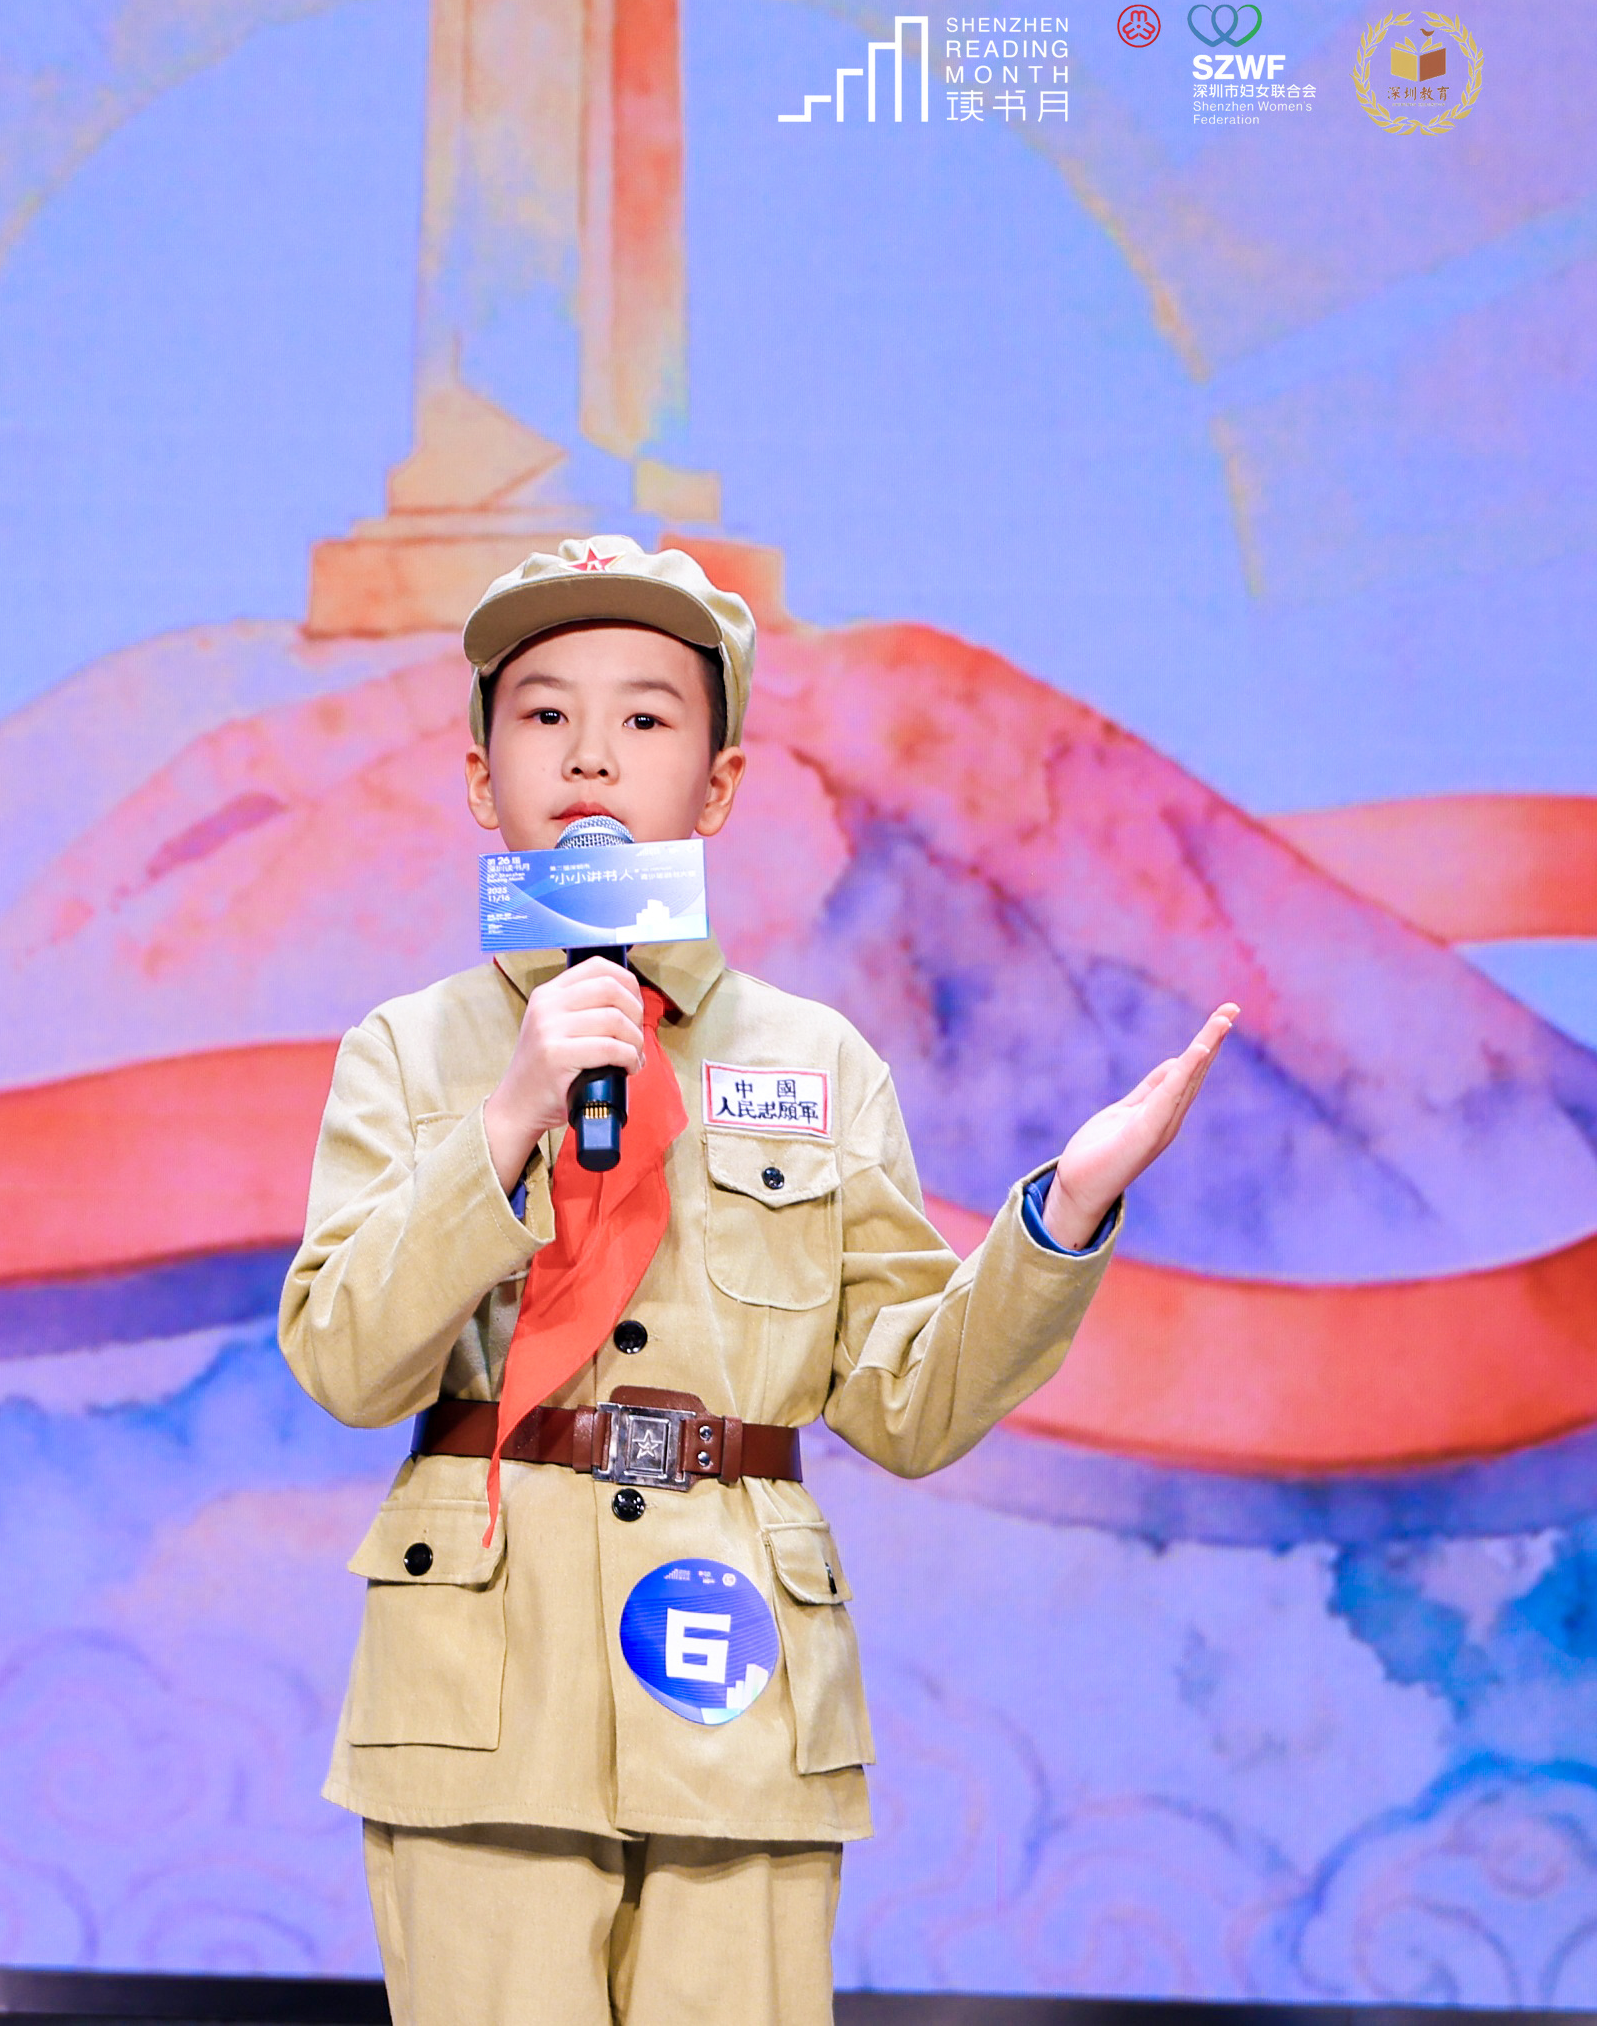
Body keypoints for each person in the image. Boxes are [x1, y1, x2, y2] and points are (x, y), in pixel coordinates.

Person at [279, 538, 1236, 2026]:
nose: (590, 753)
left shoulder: (814, 1060)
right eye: (544, 714)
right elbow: (345, 1364)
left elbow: (908, 1404)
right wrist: (507, 1119)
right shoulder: (407, 1054)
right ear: (478, 776)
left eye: (645, 716)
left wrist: (1065, 1213)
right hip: (482, 1696)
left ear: (718, 788)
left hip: (731, 1686)